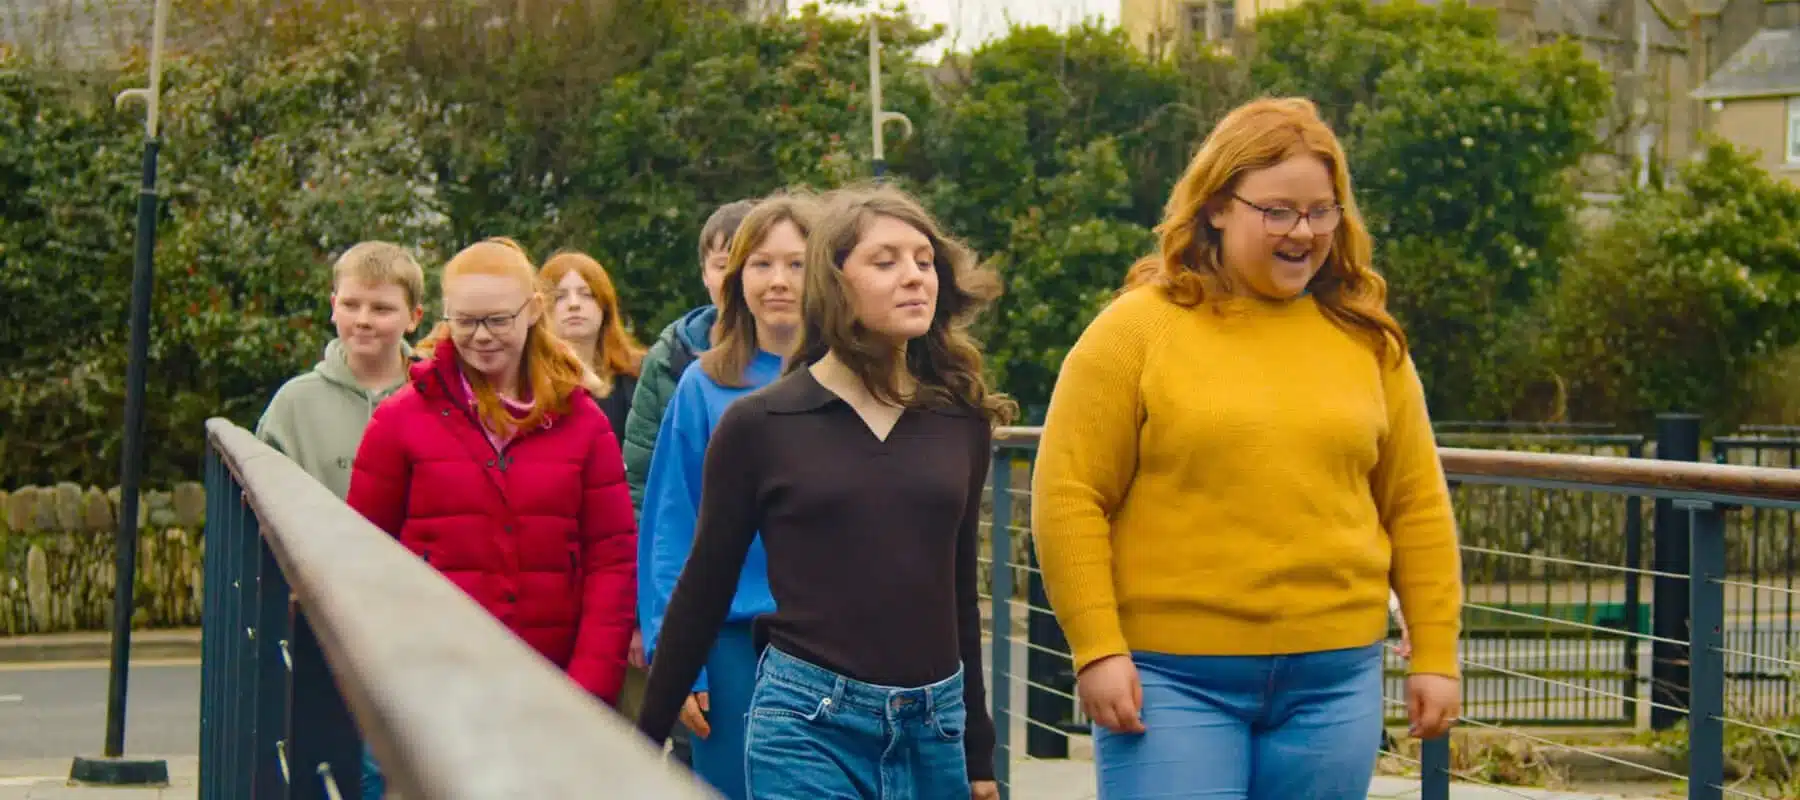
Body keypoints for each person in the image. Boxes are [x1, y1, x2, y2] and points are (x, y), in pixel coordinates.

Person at [1029, 96, 1464, 800]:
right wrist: (1097, 649)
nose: (1304, 231)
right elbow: (1069, 495)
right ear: (1216, 206)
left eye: (1322, 211)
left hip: (1335, 679)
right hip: (1170, 679)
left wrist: (1436, 653)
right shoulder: (1134, 332)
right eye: (1279, 211)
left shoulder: (1369, 341)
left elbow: (1415, 503)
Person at [635, 184, 1007, 800]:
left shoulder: (960, 420)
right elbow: (701, 591)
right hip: (807, 726)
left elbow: (958, 595)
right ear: (833, 283)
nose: (914, 276)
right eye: (885, 261)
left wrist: (979, 752)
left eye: (923, 261)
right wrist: (642, 745)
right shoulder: (759, 424)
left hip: (932, 731)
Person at [346, 236, 637, 733]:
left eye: (498, 320)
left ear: (532, 311)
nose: (481, 336)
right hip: (434, 692)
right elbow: (362, 557)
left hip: (554, 688)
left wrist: (587, 691)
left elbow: (610, 560)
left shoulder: (584, 423)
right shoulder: (400, 420)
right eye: (465, 321)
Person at [636, 193, 812, 799]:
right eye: (762, 264)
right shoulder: (704, 384)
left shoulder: (854, 381)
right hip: (732, 644)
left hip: (833, 642)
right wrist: (676, 654)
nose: (780, 281)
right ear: (737, 279)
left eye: (798, 263)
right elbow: (670, 526)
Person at [254, 240, 424, 800]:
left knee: (400, 764)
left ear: (413, 316)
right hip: (324, 619)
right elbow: (263, 507)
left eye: (381, 308)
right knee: (333, 764)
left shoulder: (440, 397)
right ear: (332, 305)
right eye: (351, 305)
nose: (364, 320)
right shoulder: (293, 404)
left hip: (417, 614)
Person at [621, 199, 755, 761]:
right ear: (705, 272)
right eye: (724, 262)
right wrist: (650, 621)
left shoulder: (825, 359)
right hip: (709, 607)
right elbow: (644, 492)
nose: (739, 277)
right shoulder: (676, 364)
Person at [539, 250, 647, 439]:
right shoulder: (526, 382)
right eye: (559, 296)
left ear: (605, 306)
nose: (574, 304)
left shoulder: (640, 375)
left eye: (586, 294)